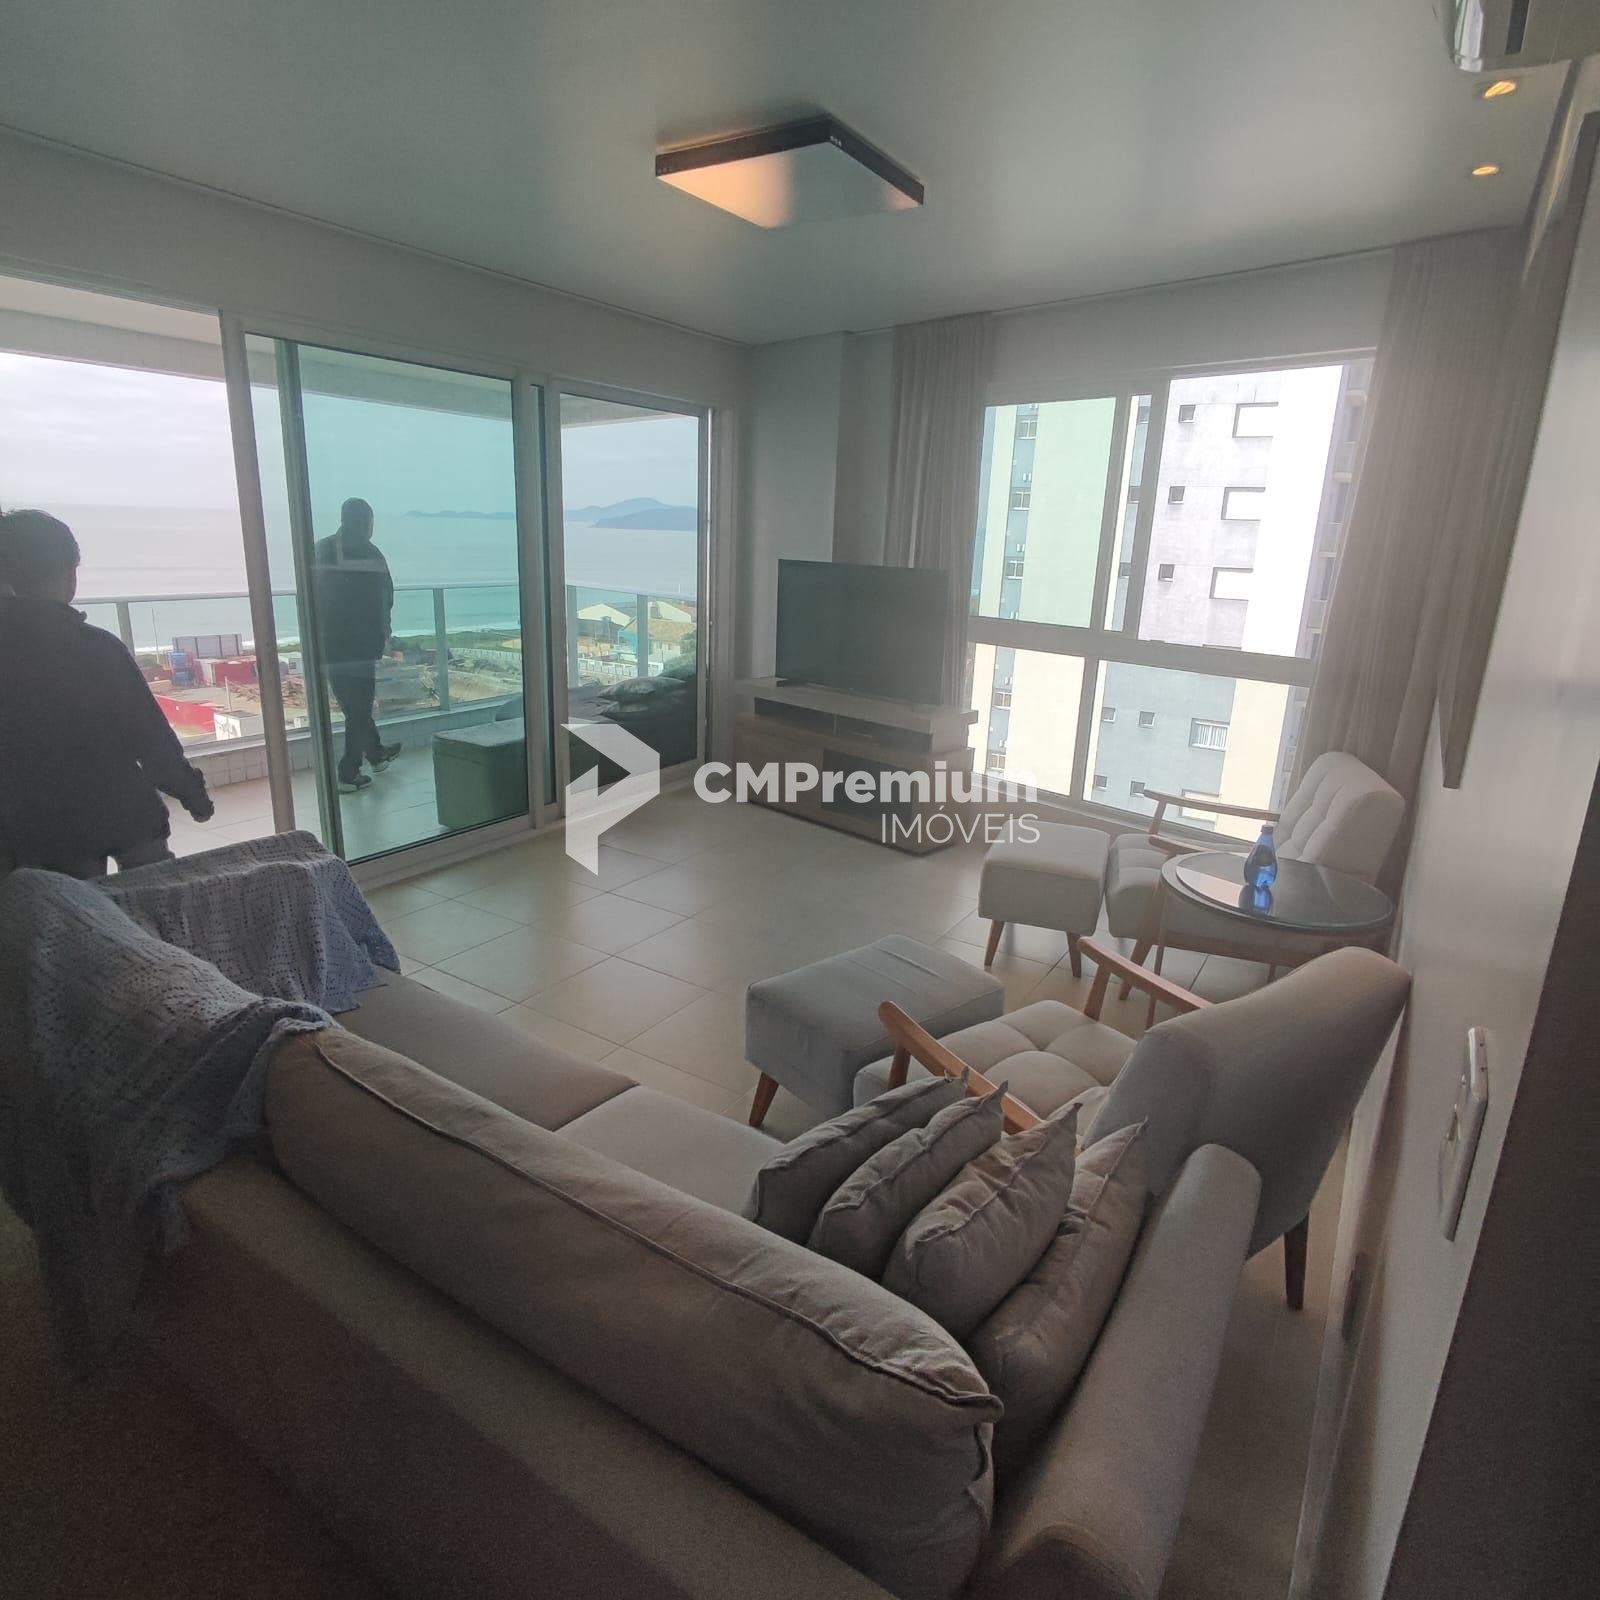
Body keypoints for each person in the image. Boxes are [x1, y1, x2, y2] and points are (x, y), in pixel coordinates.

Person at [0, 508, 213, 878]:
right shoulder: (97, 647)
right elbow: (150, 737)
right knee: (159, 898)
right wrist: (194, 796)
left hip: (45, 830)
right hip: (126, 814)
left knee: (79, 908)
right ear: (69, 573)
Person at [311, 497, 401, 794]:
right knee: (359, 709)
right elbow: (386, 598)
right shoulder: (371, 553)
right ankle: (348, 771)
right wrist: (383, 635)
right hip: (360, 647)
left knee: (354, 706)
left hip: (328, 645)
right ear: (366, 522)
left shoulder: (322, 550)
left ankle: (376, 754)